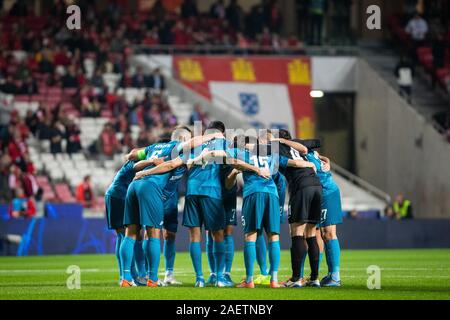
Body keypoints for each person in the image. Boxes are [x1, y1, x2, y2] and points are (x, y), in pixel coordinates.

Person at [123, 126, 224, 287]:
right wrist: (213, 136)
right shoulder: (175, 147)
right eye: (190, 139)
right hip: (151, 188)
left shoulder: (154, 147)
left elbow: (132, 155)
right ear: (184, 140)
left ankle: (126, 278)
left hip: (135, 187)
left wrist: (143, 162)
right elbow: (170, 165)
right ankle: (152, 278)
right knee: (153, 232)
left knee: (132, 233)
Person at [275, 129, 323, 288]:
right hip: (317, 186)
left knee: (297, 233)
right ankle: (314, 278)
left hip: (301, 188)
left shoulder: (276, 147)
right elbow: (317, 142)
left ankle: (296, 278)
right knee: (311, 233)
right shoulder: (299, 146)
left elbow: (291, 163)